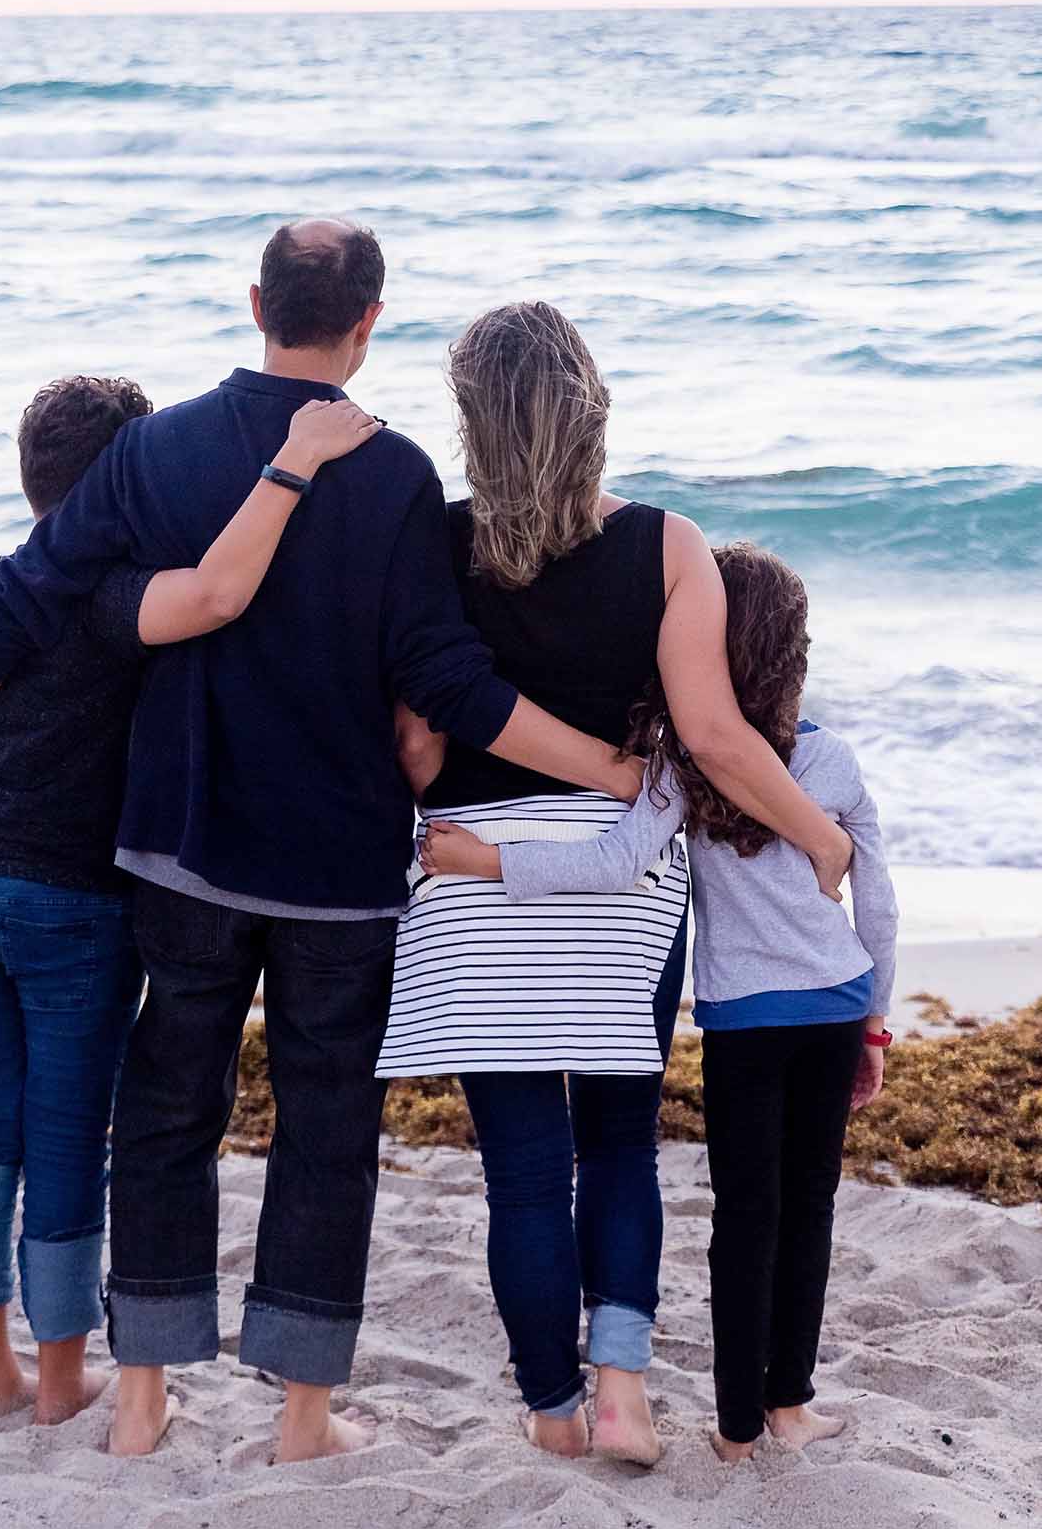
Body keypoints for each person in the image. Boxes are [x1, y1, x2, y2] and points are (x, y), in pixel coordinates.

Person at [0, 222, 641, 1464]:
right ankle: (304, 1420)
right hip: (337, 868)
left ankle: (142, 1398)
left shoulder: (158, 449)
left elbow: (26, 594)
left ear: (256, 299)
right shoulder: (399, 474)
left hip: (184, 849)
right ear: (371, 320)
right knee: (324, 1131)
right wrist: (616, 772)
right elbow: (448, 679)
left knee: (165, 1113)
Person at [375, 304, 855, 1465]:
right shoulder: (667, 544)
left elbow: (417, 755)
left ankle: (552, 1409)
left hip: (473, 881)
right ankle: (626, 1387)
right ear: (592, 408)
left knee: (526, 1170)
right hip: (619, 885)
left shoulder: (434, 545)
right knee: (620, 1144)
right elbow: (716, 737)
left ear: (471, 422)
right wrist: (819, 841)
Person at [0, 376, 377, 1427]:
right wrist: (291, 469)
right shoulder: (109, 599)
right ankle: (60, 1380)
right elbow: (213, 595)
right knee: (64, 1137)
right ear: (127, 478)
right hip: (70, 907)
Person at [420, 543, 898, 1464]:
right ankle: (788, 1403)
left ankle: (732, 1430)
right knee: (811, 1208)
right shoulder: (830, 760)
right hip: (835, 1006)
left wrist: (484, 859)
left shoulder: (683, 764)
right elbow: (876, 901)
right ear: (795, 652)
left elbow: (609, 862)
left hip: (742, 1021)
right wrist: (875, 1017)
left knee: (744, 1215)